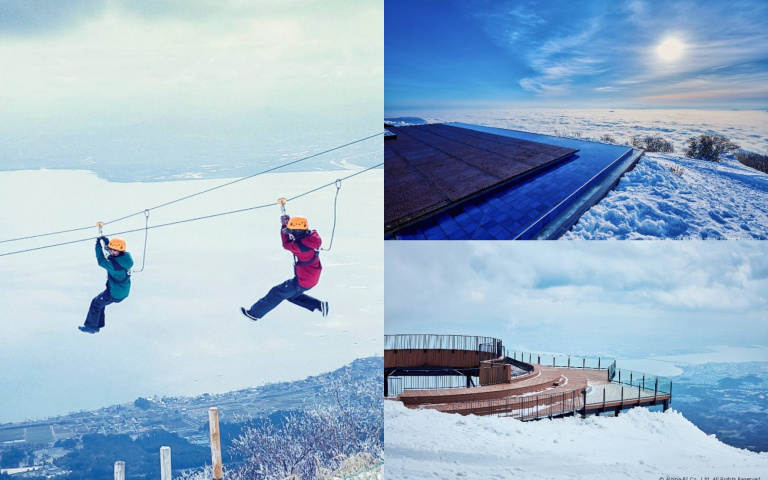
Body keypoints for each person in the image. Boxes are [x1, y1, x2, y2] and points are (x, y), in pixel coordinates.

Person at [241, 215, 328, 321]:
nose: (290, 233)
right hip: (310, 277)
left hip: (305, 279)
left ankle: (254, 314)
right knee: (291, 296)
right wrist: (288, 224)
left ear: (298, 231)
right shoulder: (310, 238)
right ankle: (319, 305)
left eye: (292, 231)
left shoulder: (301, 247)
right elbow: (296, 237)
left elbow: (286, 244)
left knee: (276, 292)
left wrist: (283, 225)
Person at [79, 236, 133, 334]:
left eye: (114, 251)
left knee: (96, 303)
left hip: (115, 293)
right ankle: (96, 325)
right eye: (111, 250)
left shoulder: (114, 266)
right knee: (100, 303)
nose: (111, 252)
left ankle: (91, 327)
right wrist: (107, 242)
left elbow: (101, 261)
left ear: (118, 251)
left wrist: (98, 245)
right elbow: (110, 253)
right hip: (121, 291)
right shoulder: (125, 258)